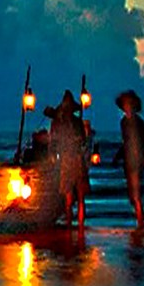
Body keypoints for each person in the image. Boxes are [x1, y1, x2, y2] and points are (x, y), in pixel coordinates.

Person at [43, 89, 88, 232]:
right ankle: (76, 225)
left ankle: (74, 225)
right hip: (72, 160)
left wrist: (53, 155)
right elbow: (55, 142)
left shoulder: (66, 123)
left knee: (75, 196)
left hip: (71, 161)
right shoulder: (62, 123)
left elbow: (54, 142)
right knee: (75, 197)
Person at [115, 89, 144, 229]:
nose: (127, 107)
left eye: (129, 104)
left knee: (135, 192)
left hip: (138, 159)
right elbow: (126, 142)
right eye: (125, 105)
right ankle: (140, 218)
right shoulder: (124, 123)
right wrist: (118, 156)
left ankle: (140, 221)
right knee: (134, 194)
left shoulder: (138, 122)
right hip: (129, 160)